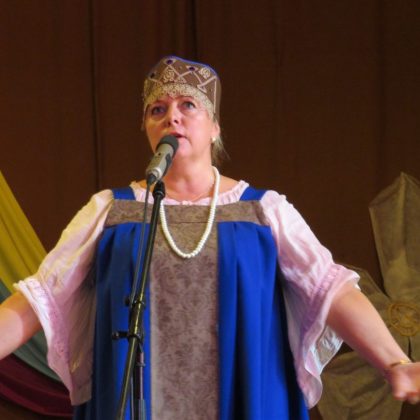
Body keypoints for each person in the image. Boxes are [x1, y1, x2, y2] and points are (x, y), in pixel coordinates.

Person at [0, 55, 419, 420]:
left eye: (188, 105)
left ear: (215, 127)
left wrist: (394, 362)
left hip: (243, 399)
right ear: (146, 128)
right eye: (157, 109)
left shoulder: (263, 211)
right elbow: (40, 297)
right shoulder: (111, 211)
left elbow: (331, 289)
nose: (172, 117)